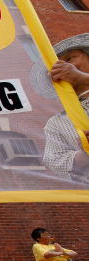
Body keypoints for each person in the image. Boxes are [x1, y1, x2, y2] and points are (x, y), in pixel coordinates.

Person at [31, 33, 89, 182]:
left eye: (70, 58)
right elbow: (54, 161)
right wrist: (84, 154)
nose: (64, 67)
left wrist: (81, 77)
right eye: (54, 68)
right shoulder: (56, 123)